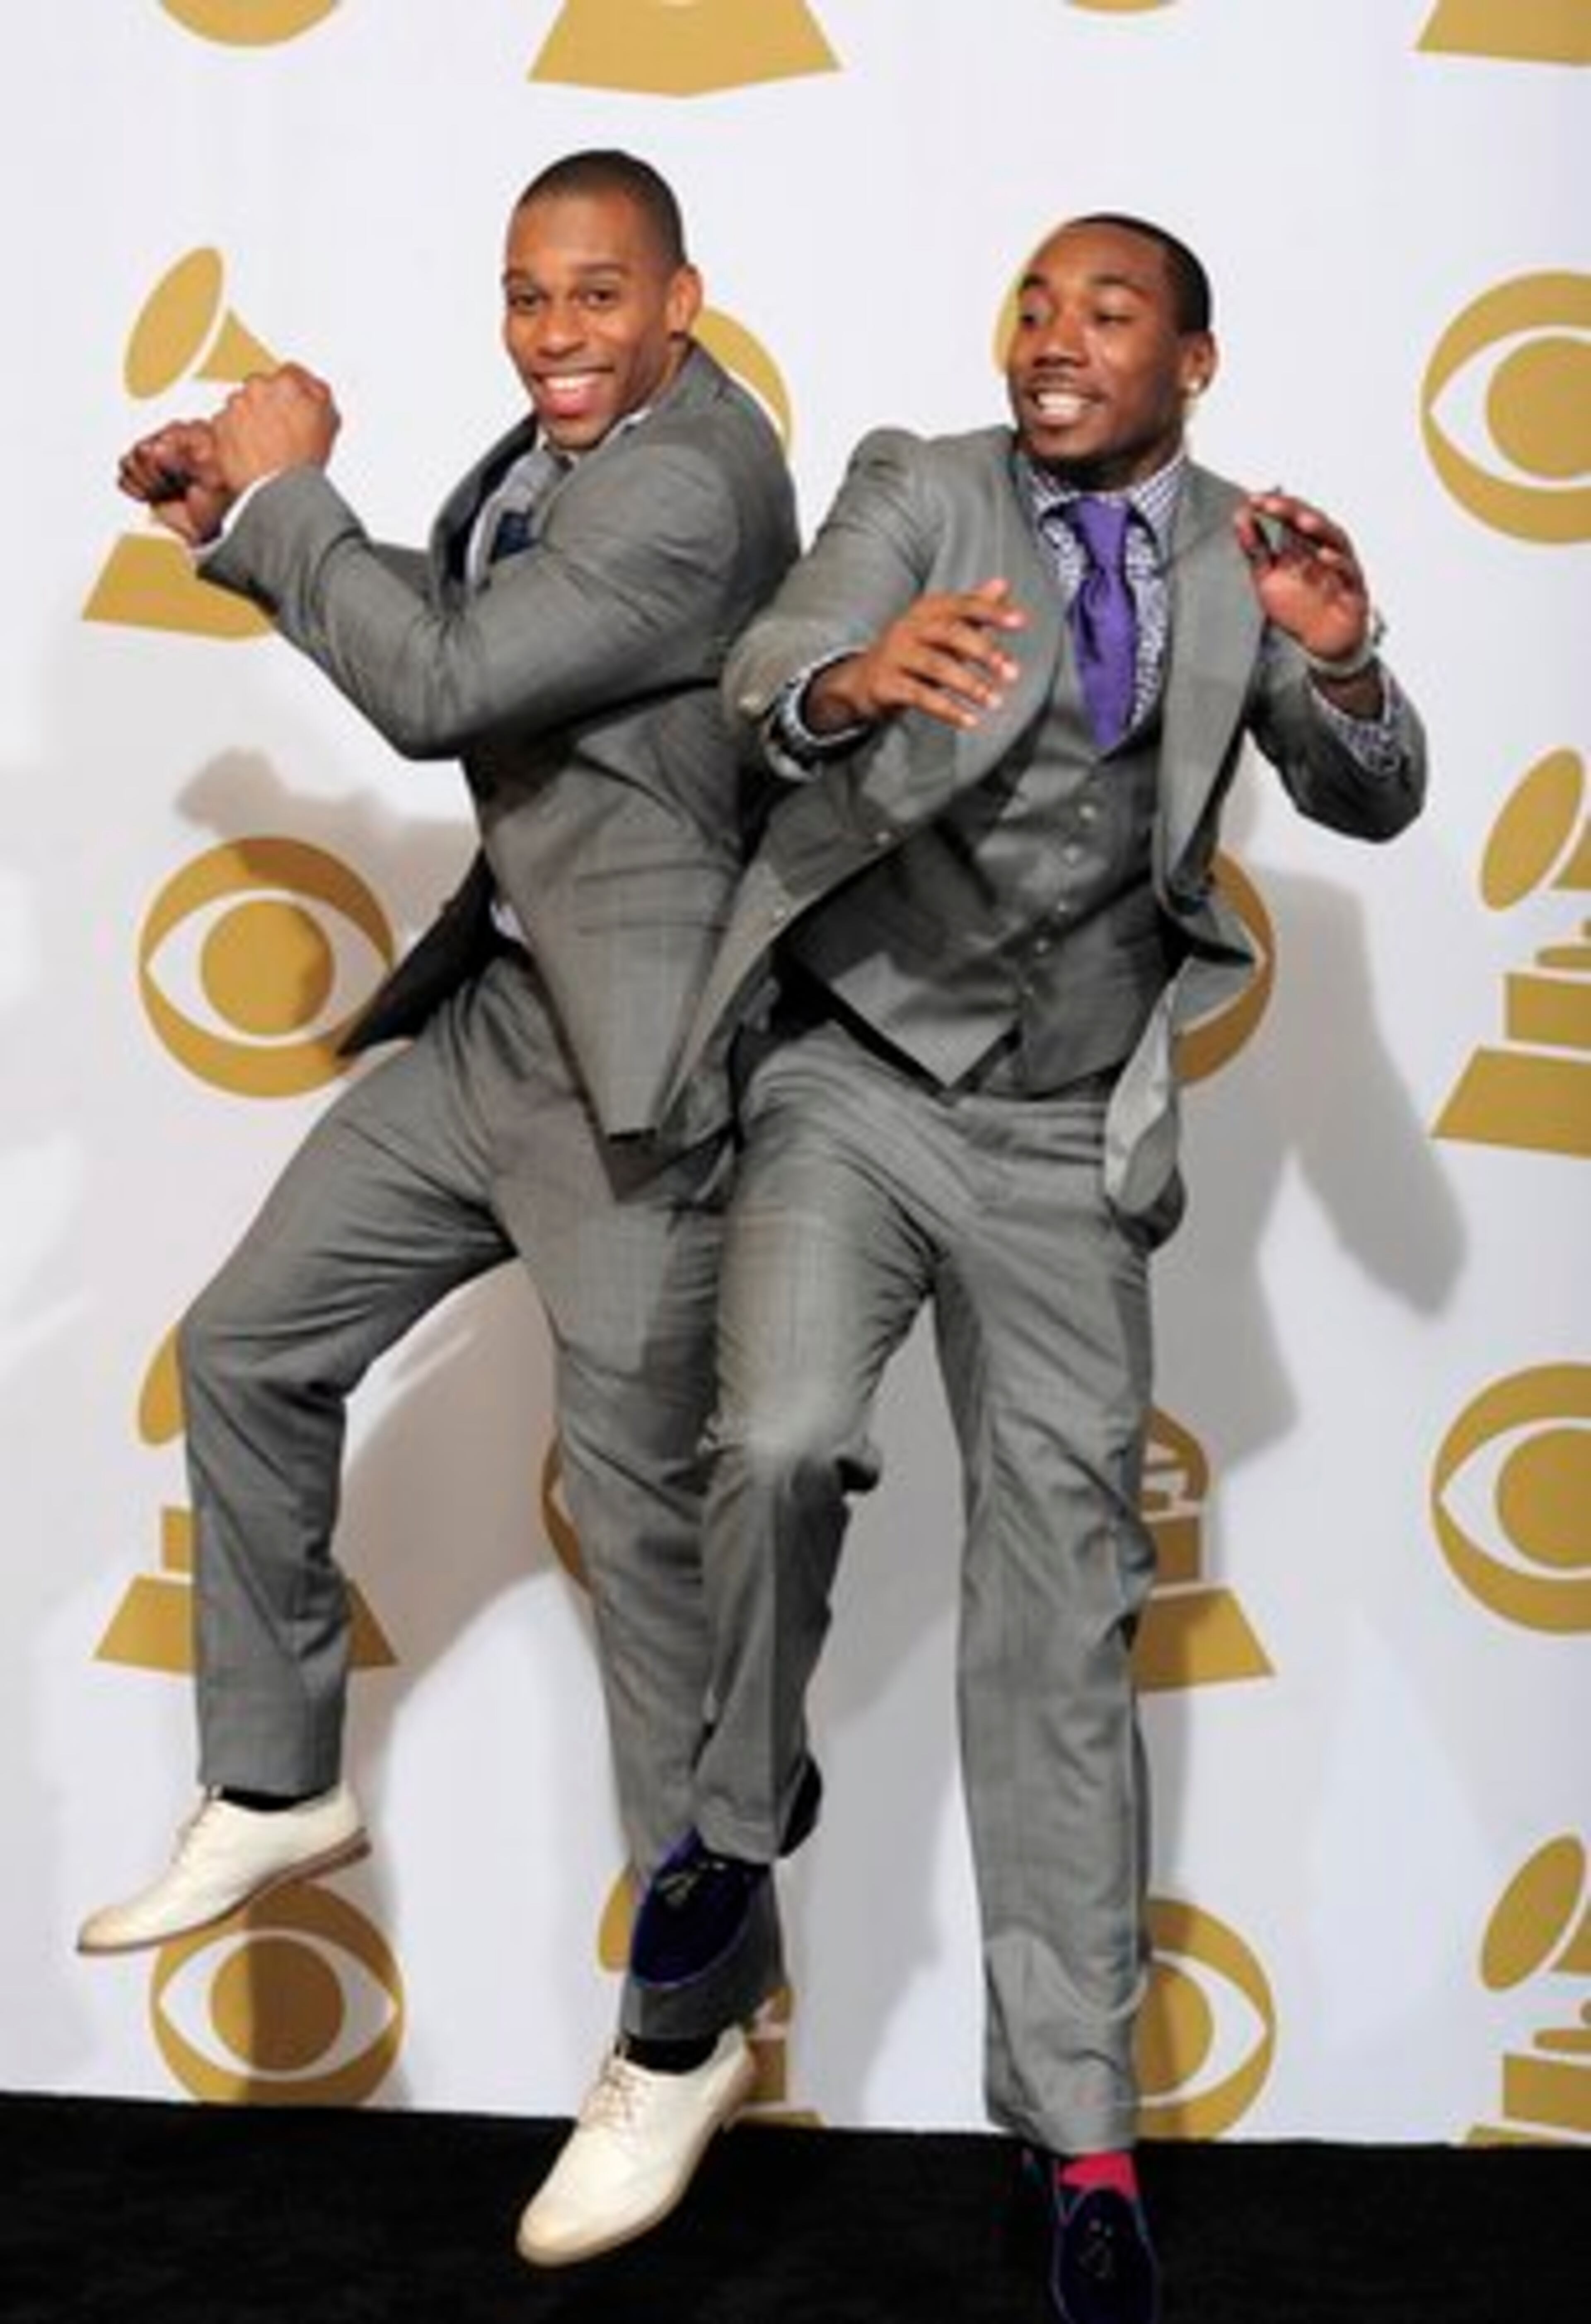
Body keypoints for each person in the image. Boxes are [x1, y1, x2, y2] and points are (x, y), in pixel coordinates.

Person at [595, 213, 1427, 2322]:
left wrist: (1340, 659)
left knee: (1064, 1628)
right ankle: (726, 1824)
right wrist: (845, 678)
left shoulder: (1253, 543)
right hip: (858, 1077)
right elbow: (772, 667)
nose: (1056, 340)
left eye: (1107, 311)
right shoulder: (919, 480)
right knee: (774, 1432)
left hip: (1066, 1132)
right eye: (1036, 306)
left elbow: (1381, 790)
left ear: (1196, 360)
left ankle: (1082, 2142)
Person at [76, 149, 799, 2262]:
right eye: (526, 297)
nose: (555, 335)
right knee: (249, 1338)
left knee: (643, 1549)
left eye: (596, 297)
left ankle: (689, 2032)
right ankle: (282, 1777)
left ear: (682, 299)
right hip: (505, 1020)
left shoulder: (706, 474)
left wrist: (294, 487)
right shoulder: (593, 441)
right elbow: (479, 629)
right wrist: (243, 518)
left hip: (640, 1081)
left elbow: (438, 690)